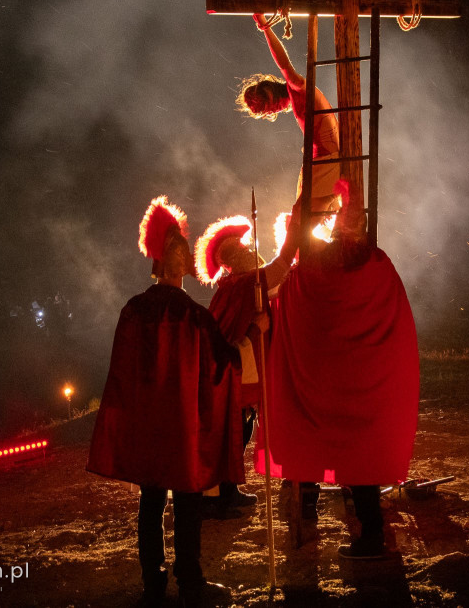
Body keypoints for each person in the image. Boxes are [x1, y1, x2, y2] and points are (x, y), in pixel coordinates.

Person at [87, 196, 266, 608]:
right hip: (182, 430)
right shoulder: (192, 317)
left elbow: (123, 378)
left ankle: (154, 584)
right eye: (182, 247)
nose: (187, 253)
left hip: (148, 430)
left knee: (150, 502)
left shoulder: (133, 311)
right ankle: (190, 583)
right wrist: (254, 332)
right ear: (177, 260)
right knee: (185, 499)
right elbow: (224, 365)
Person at [266, 181, 420, 559]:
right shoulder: (375, 262)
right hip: (360, 385)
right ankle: (366, 531)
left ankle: (311, 511)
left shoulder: (317, 266)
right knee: (358, 455)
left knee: (313, 436)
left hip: (324, 381)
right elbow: (394, 320)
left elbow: (293, 300)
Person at [194, 210, 302, 518]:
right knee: (233, 431)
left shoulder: (241, 284)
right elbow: (280, 268)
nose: (250, 249)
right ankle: (218, 497)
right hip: (235, 371)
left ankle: (227, 490)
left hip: (244, 370)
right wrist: (296, 227)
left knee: (240, 429)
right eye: (241, 249)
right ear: (231, 260)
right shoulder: (241, 284)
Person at [237, 13, 342, 214]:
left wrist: (265, 27)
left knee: (299, 227)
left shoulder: (297, 87)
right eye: (267, 112)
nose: (272, 111)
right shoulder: (297, 100)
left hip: (327, 163)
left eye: (269, 106)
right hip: (322, 163)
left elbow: (284, 65)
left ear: (271, 91)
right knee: (300, 226)